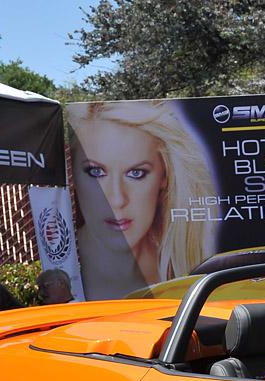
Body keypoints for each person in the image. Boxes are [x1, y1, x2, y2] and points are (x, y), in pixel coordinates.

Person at [67, 100, 216, 300]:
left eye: (136, 173)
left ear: (165, 176)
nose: (117, 200)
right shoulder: (65, 269)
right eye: (96, 172)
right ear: (74, 174)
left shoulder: (183, 263)